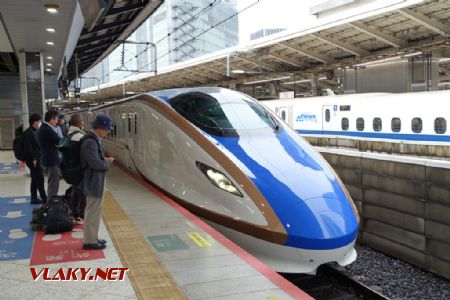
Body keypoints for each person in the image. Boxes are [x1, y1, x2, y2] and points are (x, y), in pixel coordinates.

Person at [80, 114, 114, 250]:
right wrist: (107, 163)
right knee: (92, 211)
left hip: (95, 179)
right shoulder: (90, 141)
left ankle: (93, 237)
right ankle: (89, 241)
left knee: (95, 210)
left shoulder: (94, 139)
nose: (108, 131)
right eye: (107, 129)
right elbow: (94, 163)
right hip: (92, 180)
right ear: (99, 128)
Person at [22, 114, 47, 204]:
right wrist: (34, 158)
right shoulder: (29, 133)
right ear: (35, 122)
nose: (40, 122)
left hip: (35, 158)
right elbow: (29, 148)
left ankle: (33, 198)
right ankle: (44, 199)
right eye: (39, 121)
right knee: (40, 178)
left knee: (35, 178)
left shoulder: (34, 131)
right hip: (33, 160)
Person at [38, 109, 61, 201]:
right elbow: (58, 140)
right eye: (56, 119)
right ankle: (51, 204)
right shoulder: (47, 129)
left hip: (49, 159)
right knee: (53, 183)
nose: (56, 122)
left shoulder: (44, 128)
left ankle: (51, 202)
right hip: (51, 160)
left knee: (53, 182)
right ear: (52, 119)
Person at [68, 114, 86, 224]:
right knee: (82, 191)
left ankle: (75, 212)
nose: (83, 123)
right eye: (82, 121)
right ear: (78, 123)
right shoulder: (78, 136)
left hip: (73, 167)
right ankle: (79, 215)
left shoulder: (71, 133)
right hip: (79, 168)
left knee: (76, 190)